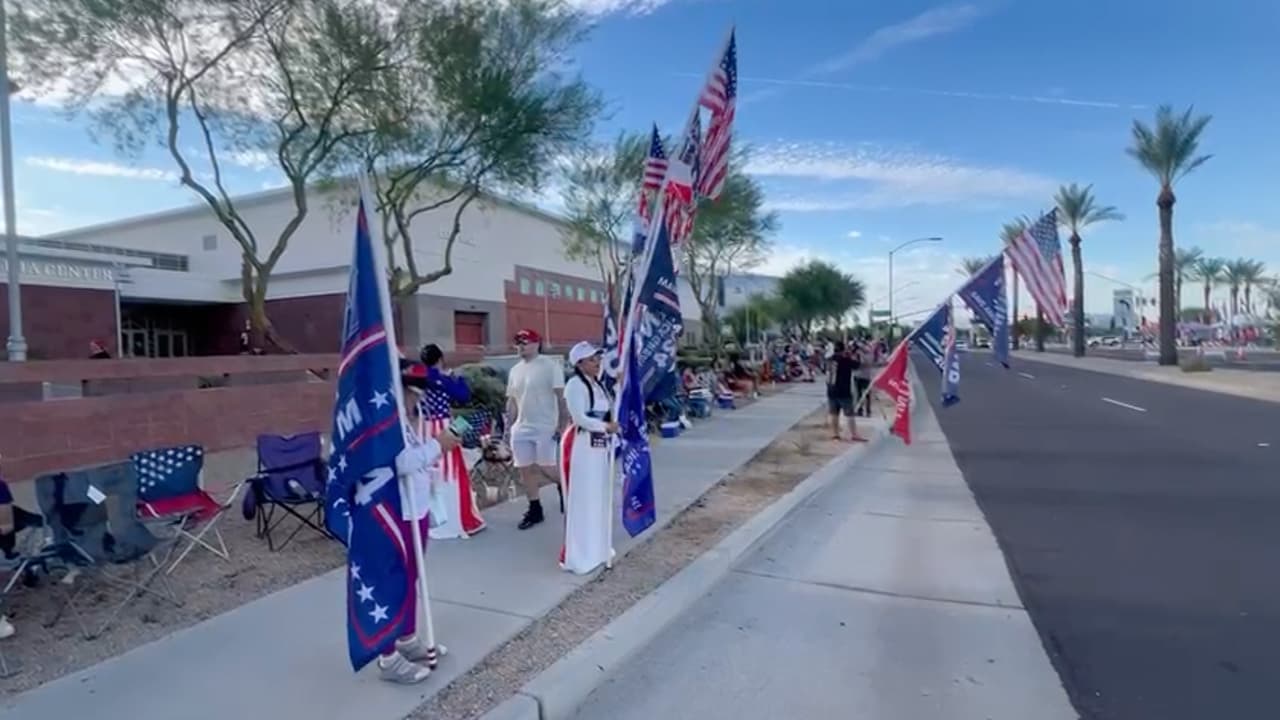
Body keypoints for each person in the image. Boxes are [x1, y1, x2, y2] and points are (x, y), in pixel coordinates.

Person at [376, 359, 460, 684]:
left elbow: (417, 459)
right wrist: (437, 446)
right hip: (397, 512)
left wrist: (433, 460)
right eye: (414, 393)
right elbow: (397, 463)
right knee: (394, 581)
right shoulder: (388, 420)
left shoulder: (414, 418)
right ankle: (387, 656)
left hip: (419, 507)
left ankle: (407, 637)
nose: (419, 400)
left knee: (412, 577)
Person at [414, 344, 486, 540]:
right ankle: (455, 520)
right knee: (452, 473)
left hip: (423, 428)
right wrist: (458, 378)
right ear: (440, 359)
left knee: (430, 471)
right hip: (444, 426)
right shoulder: (442, 378)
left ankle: (433, 517)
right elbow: (463, 395)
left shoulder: (417, 377)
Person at [559, 341, 618, 574]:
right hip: (581, 444)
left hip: (599, 446)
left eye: (598, 359)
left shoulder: (599, 385)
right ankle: (580, 553)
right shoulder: (575, 385)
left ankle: (597, 548)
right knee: (583, 497)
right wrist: (605, 426)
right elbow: (580, 418)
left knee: (598, 495)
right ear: (579, 363)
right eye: (592, 359)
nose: (597, 363)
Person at [505, 329, 565, 530]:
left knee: (545, 466)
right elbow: (513, 400)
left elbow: (560, 396)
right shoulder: (515, 370)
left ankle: (564, 486)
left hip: (545, 425)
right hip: (521, 427)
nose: (521, 346)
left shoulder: (550, 366)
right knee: (525, 469)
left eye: (526, 342)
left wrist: (562, 423)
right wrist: (508, 427)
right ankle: (534, 508)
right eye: (519, 342)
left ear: (537, 343)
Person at [826, 341, 867, 442]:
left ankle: (835, 435)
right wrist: (852, 355)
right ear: (843, 350)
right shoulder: (845, 360)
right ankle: (854, 434)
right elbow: (859, 365)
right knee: (849, 414)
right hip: (843, 391)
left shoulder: (829, 360)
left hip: (831, 390)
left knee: (834, 414)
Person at [853, 340, 873, 417]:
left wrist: (861, 354)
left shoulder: (869, 354)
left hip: (866, 376)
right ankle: (859, 410)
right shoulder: (857, 354)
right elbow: (855, 364)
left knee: (867, 395)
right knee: (858, 394)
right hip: (858, 376)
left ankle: (868, 411)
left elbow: (865, 363)